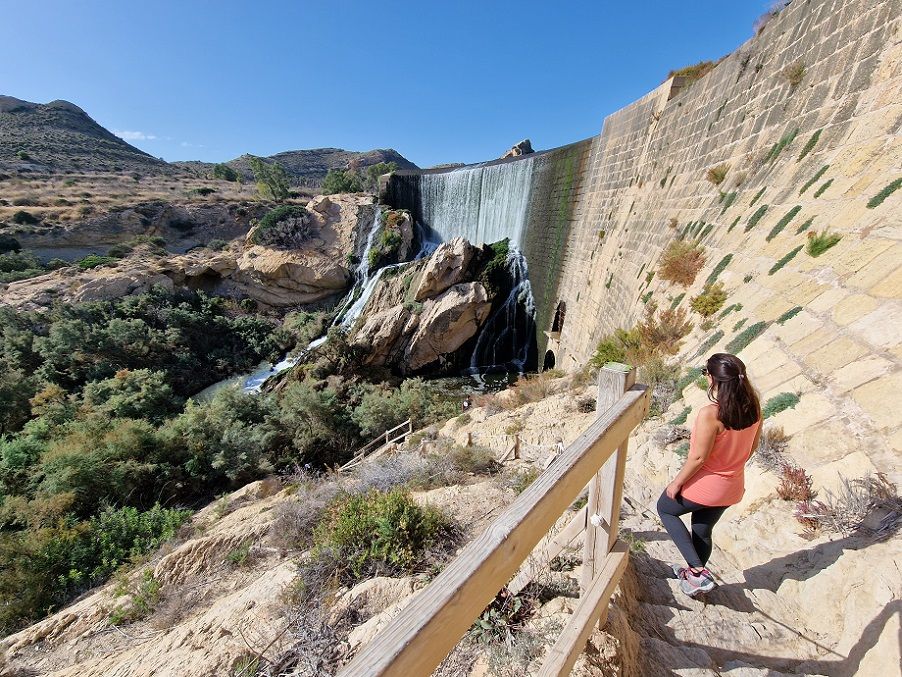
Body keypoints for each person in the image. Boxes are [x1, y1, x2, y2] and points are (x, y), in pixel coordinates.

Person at [657, 353, 761, 598]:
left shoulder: (711, 414)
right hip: (733, 485)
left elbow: (698, 458)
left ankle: (697, 571)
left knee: (665, 508)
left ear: (715, 379)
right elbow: (752, 448)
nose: (705, 377)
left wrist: (677, 482)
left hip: (708, 484)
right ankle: (694, 579)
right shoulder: (754, 408)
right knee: (702, 530)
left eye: (706, 372)